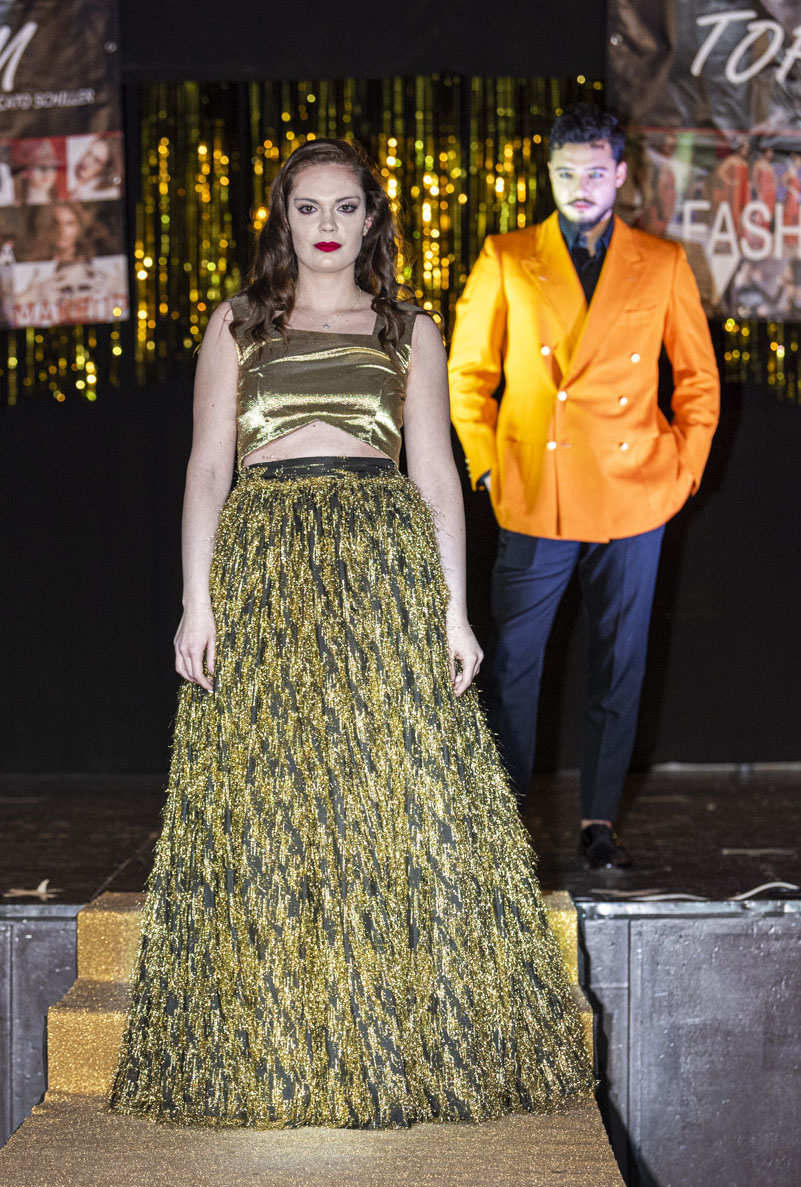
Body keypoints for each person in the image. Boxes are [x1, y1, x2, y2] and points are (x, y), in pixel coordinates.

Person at [109, 137, 593, 1128]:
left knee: (390, 790)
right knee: (271, 797)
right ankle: (277, 1042)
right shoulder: (238, 323)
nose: (326, 226)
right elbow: (207, 468)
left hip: (381, 565)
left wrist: (453, 609)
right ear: (281, 220)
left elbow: (436, 474)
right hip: (265, 563)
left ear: (371, 219)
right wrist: (197, 601)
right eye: (307, 208)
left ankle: (401, 1032)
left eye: (344, 208)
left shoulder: (408, 328)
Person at [448, 104, 719, 870]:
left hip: (635, 493)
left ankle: (599, 821)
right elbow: (467, 373)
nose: (579, 186)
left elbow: (697, 379)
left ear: (620, 174)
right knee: (512, 666)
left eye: (594, 172)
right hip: (538, 490)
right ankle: (502, 827)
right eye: (565, 173)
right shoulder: (507, 255)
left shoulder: (660, 261)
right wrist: (487, 465)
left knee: (618, 664)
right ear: (548, 174)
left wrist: (683, 470)